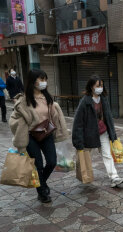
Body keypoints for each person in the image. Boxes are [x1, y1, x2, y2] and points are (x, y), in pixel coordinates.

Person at [9, 69, 69, 203]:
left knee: (52, 161)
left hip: (45, 133)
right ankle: (42, 193)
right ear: (33, 81)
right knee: (38, 165)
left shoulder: (47, 97)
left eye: (45, 79)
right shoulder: (23, 100)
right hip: (30, 136)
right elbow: (14, 120)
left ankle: (42, 184)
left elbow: (53, 116)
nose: (44, 82)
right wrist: (21, 132)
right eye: (41, 79)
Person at [72, 75, 123, 188]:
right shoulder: (85, 101)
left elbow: (109, 117)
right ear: (91, 87)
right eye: (98, 86)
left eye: (101, 85)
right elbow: (78, 122)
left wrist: (113, 134)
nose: (100, 88)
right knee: (85, 156)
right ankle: (84, 175)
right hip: (89, 134)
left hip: (103, 132)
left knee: (107, 155)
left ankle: (114, 177)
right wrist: (78, 140)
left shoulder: (104, 99)